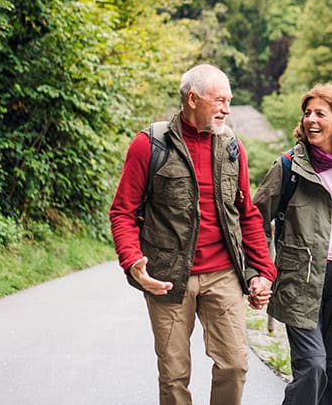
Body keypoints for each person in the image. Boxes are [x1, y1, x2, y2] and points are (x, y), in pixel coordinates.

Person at [109, 64, 276, 405]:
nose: (227, 110)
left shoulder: (233, 147)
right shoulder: (149, 145)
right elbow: (122, 212)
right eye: (219, 101)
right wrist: (133, 262)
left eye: (229, 101)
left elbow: (246, 214)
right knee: (174, 376)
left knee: (234, 365)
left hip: (223, 274)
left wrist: (262, 272)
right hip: (167, 278)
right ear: (192, 98)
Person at [254, 83, 332, 405]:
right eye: (307, 113)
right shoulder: (288, 168)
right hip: (300, 284)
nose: (311, 119)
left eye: (320, 114)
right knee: (313, 369)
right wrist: (262, 270)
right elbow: (254, 220)